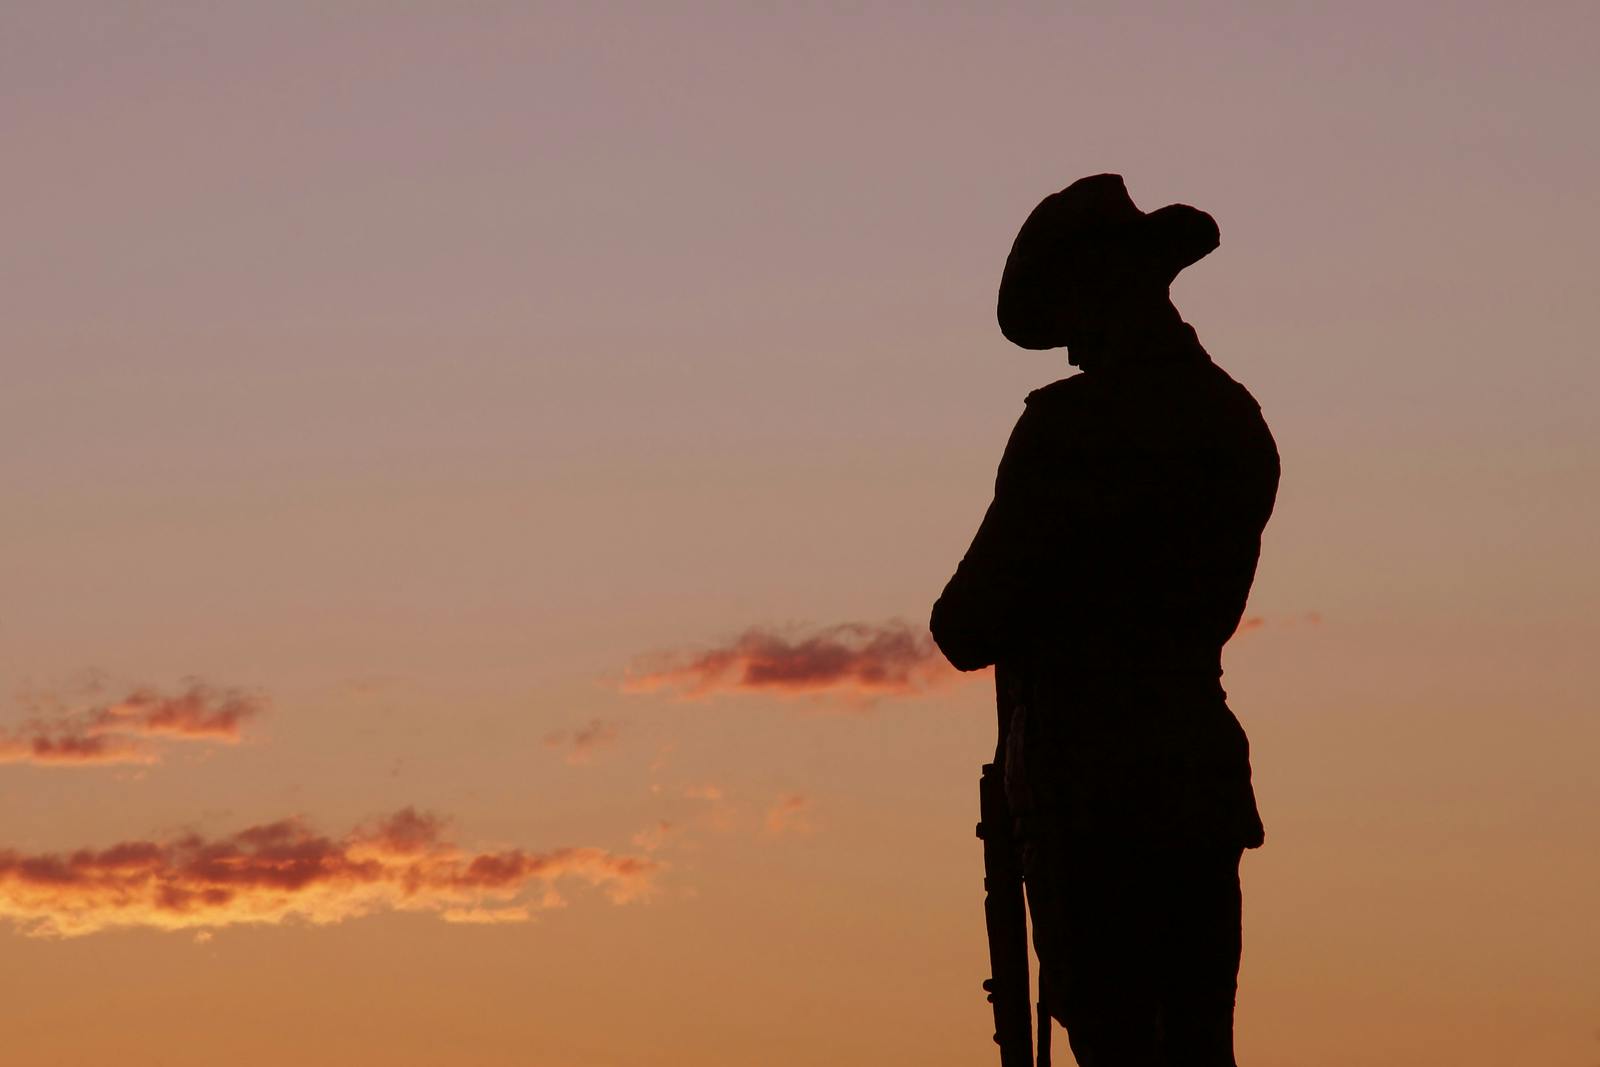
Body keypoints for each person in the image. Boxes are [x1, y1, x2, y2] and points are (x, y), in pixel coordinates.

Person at [931, 174, 1279, 1066]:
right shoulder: (1234, 420)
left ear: (1101, 292)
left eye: (1073, 318)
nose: (1073, 348)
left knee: (1119, 1042)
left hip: (1092, 802)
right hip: (1196, 781)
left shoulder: (1068, 430)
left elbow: (965, 624)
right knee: (1199, 1046)